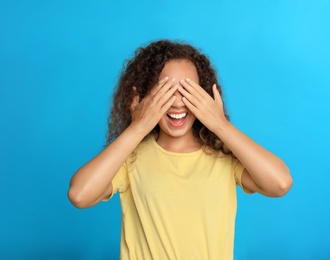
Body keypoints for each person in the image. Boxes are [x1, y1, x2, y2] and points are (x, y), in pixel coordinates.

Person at [68, 40, 292, 260]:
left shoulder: (224, 157)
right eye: (166, 91)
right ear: (147, 96)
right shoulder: (130, 158)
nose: (177, 103)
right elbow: (79, 195)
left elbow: (280, 183)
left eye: (188, 91)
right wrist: (138, 127)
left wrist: (220, 124)